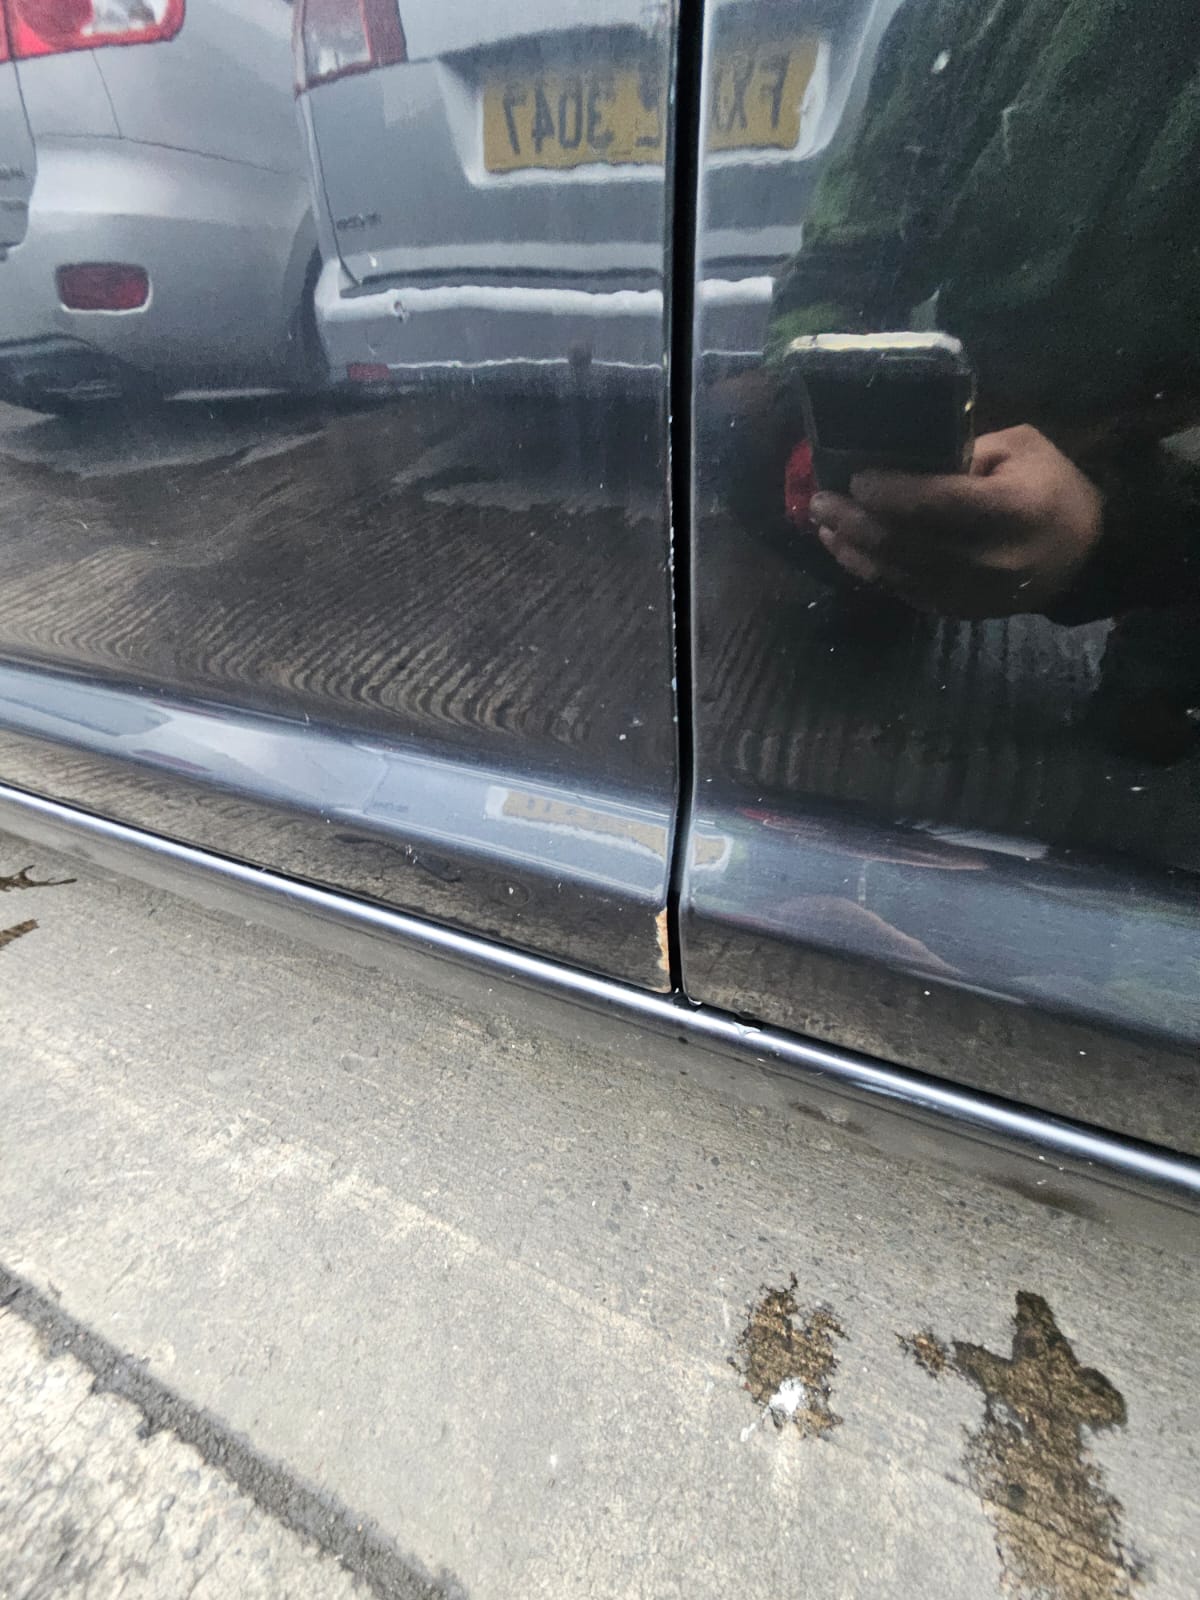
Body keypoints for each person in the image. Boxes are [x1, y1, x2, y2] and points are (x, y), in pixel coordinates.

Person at [765, 0, 1200, 756]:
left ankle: (1160, 657)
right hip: (988, 399)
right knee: (740, 432)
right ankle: (886, 573)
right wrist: (825, 415)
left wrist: (1121, 527)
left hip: (1168, 435)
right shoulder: (956, 11)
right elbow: (848, 253)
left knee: (1148, 736)